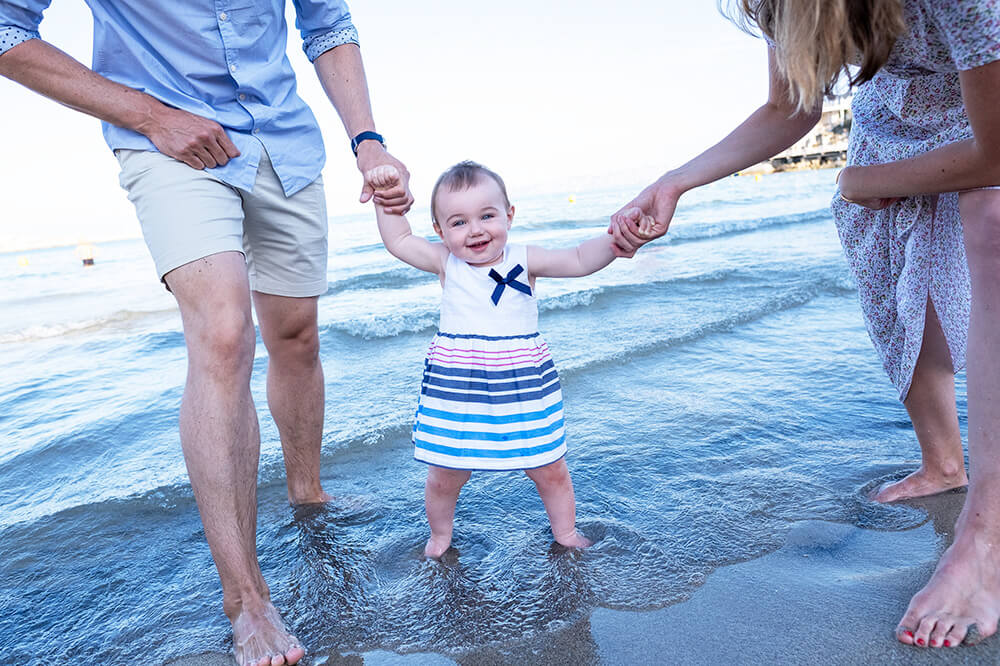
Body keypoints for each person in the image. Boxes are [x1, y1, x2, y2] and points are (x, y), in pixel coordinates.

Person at [0, 2, 413, 664]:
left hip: (283, 140)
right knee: (224, 333)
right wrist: (149, 115)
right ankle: (246, 600)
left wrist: (368, 141)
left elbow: (328, 25)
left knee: (297, 335)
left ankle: (307, 494)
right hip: (163, 141)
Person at [607, 0, 1000, 650]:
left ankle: (985, 540)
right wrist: (675, 182)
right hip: (895, 118)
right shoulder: (787, 5)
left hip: (984, 111)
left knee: (989, 221)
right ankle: (942, 463)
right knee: (889, 272)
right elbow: (791, 106)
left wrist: (859, 179)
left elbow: (996, 152)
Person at [368, 161, 643, 558]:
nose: (476, 229)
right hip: (459, 387)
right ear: (440, 231)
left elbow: (580, 259)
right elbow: (398, 240)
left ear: (509, 216)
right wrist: (385, 195)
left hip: (522, 385)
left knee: (549, 466)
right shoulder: (446, 262)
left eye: (487, 216)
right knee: (445, 473)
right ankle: (440, 537)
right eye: (458, 222)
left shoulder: (524, 259)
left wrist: (617, 242)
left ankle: (565, 532)